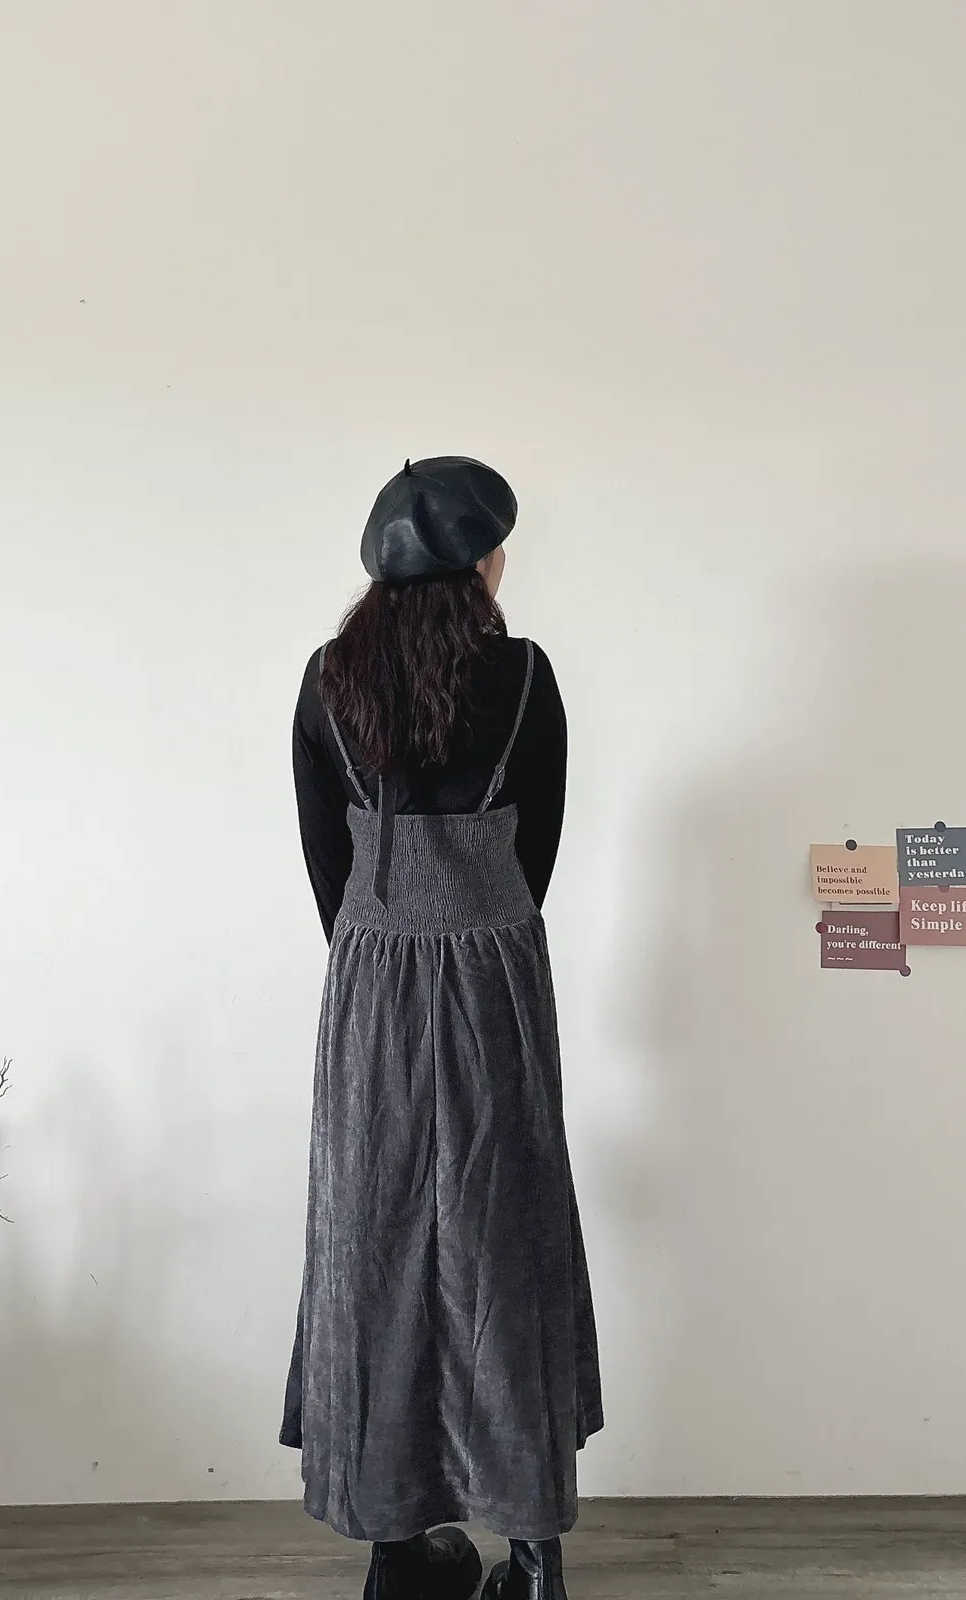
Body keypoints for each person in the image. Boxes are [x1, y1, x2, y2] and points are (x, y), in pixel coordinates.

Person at [281, 457, 603, 1600]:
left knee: (369, 1238)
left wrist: (393, 927)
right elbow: (538, 844)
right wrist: (472, 919)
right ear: (478, 563)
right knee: (505, 1234)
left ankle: (395, 1546)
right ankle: (534, 1552)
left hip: (370, 981)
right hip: (494, 974)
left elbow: (327, 862)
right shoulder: (523, 677)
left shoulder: (328, 680)